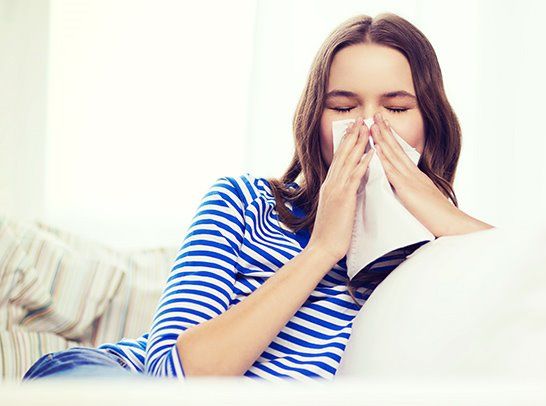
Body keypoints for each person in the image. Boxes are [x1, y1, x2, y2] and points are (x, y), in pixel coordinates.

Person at [22, 12, 492, 382]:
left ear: (430, 126)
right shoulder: (243, 201)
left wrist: (441, 216)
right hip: (111, 379)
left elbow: (532, 280)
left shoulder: (436, 259)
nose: (369, 128)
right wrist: (322, 249)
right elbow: (166, 380)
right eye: (344, 108)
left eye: (396, 108)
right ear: (315, 121)